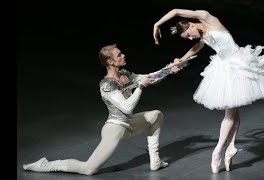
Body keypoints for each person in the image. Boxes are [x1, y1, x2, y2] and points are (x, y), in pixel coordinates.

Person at [153, 9, 264, 173]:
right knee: (233, 109)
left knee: (230, 113)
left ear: (192, 24)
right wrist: (180, 61)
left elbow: (176, 11)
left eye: (189, 35)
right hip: (224, 68)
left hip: (238, 64)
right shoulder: (202, 36)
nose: (192, 38)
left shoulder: (208, 18)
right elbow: (196, 48)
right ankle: (231, 147)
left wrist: (157, 24)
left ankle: (218, 150)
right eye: (188, 38)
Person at [23, 44, 180, 175]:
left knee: (156, 115)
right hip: (115, 128)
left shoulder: (125, 74)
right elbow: (127, 107)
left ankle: (155, 161)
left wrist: (170, 69)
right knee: (89, 169)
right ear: (111, 62)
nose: (123, 55)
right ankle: (44, 165)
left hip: (129, 124)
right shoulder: (106, 85)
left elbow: (149, 77)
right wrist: (140, 86)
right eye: (119, 55)